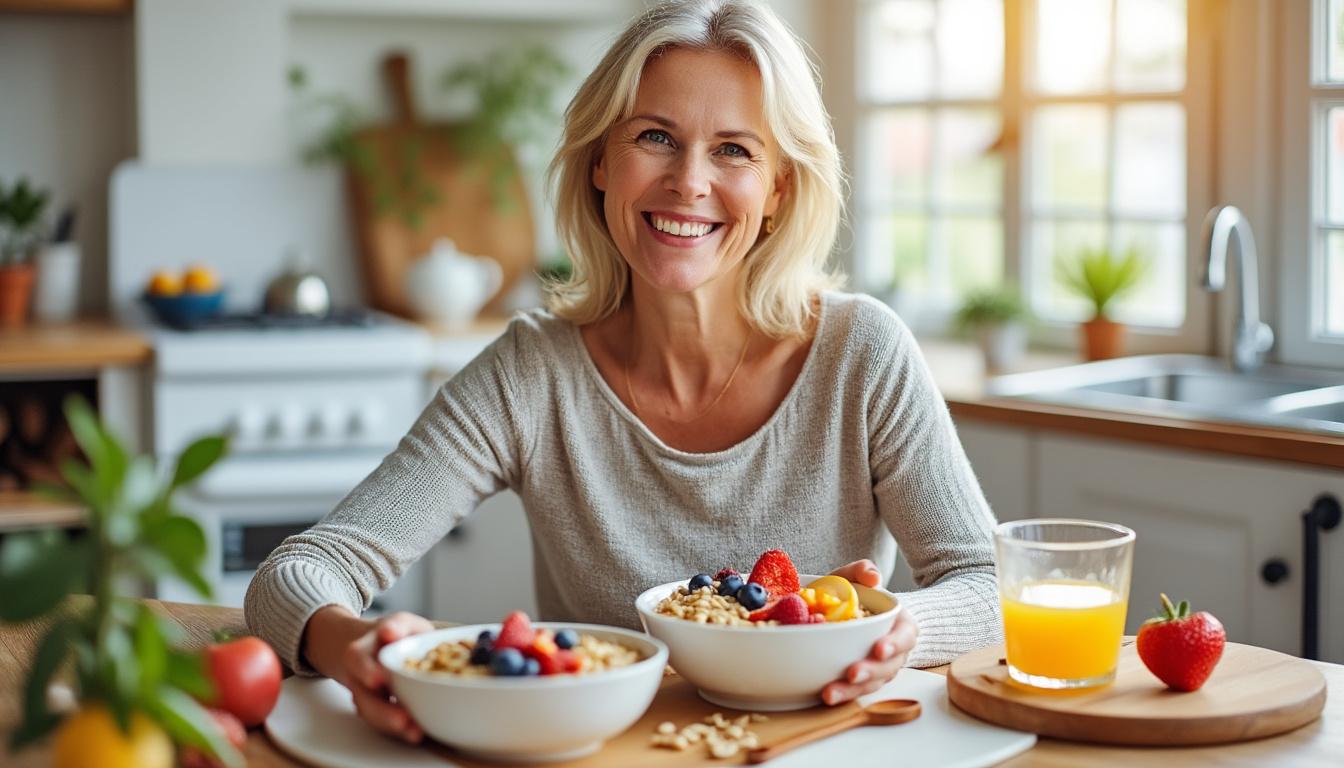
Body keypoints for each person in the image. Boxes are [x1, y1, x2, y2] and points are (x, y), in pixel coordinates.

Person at [245, 0, 1000, 744]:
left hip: (823, 753)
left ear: (779, 189)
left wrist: (893, 627)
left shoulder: (862, 353)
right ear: (602, 160)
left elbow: (990, 585)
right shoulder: (532, 374)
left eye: (734, 149)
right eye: (655, 137)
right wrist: (352, 645)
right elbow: (302, 570)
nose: (689, 181)